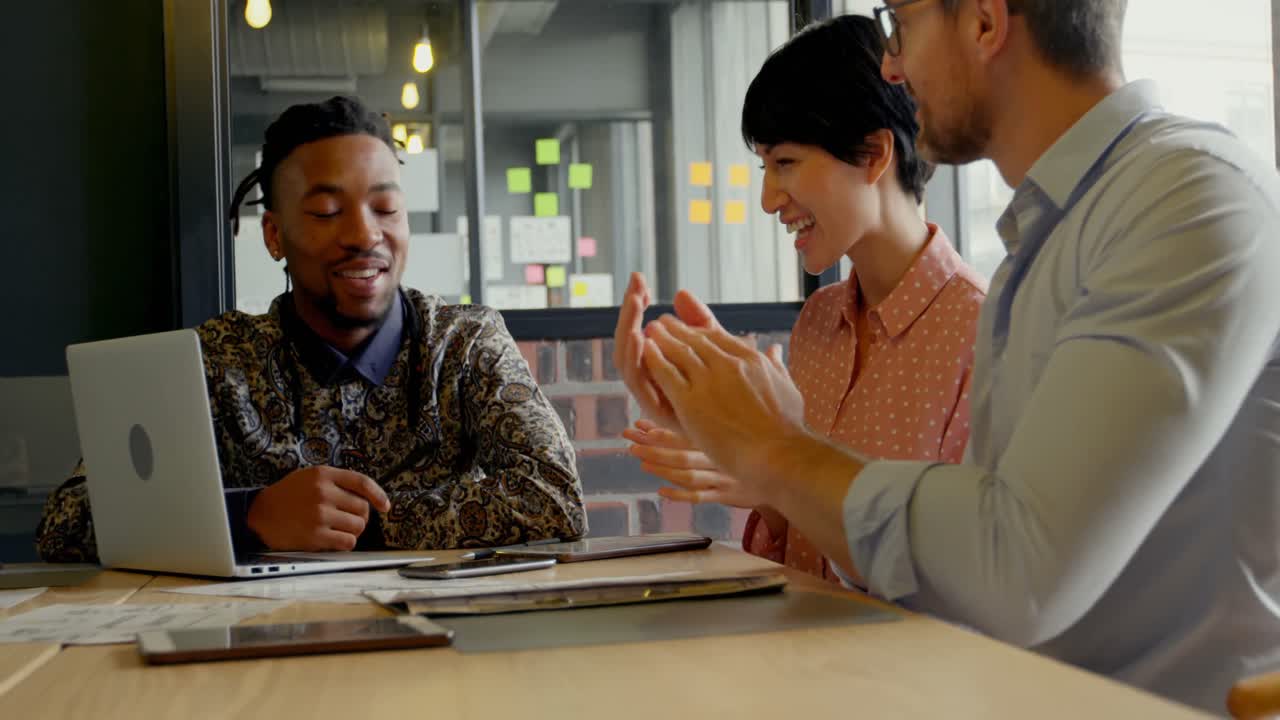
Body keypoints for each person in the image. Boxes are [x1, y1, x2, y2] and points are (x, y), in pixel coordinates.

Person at [614, 0, 1280, 711]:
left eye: (901, 22)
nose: (893, 64)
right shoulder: (1047, 242)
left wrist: (772, 451)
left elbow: (1017, 572)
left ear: (985, 23)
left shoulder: (1192, 197)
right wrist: (742, 439)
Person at [38, 96, 587, 562]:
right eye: (327, 212)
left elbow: (556, 498)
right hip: (263, 651)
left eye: (386, 207)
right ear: (273, 236)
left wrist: (362, 524)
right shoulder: (216, 361)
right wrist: (250, 516)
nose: (364, 234)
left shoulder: (465, 345)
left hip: (438, 654)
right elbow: (65, 521)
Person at [623, 14, 985, 583]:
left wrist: (773, 464)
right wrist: (761, 484)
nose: (769, 199)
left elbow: (964, 573)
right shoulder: (818, 321)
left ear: (874, 154)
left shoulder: (982, 330)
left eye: (786, 163)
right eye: (764, 167)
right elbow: (797, 553)